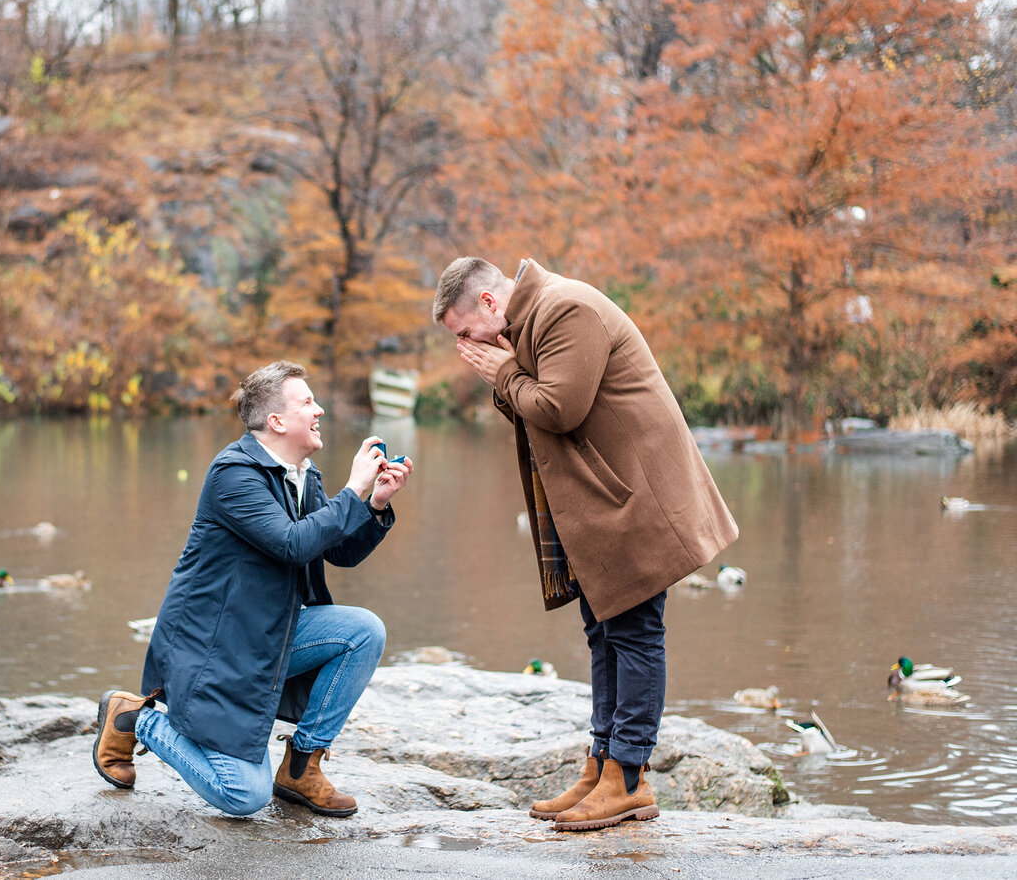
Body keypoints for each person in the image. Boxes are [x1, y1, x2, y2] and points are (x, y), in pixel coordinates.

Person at [433, 257, 738, 832]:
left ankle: (628, 776)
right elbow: (536, 410)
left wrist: (503, 372)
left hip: (637, 499)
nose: (465, 346)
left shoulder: (565, 309)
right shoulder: (532, 321)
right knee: (603, 630)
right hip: (607, 501)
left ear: (491, 305)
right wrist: (507, 373)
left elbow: (557, 408)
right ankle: (602, 765)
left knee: (635, 633)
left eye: (464, 331)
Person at [92, 361, 412, 818]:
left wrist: (375, 502)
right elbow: (292, 544)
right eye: (307, 402)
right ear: (277, 421)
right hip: (217, 649)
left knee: (363, 630)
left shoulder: (303, 473)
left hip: (269, 632)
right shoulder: (234, 475)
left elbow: (336, 551)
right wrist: (353, 489)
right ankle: (136, 719)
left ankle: (301, 767)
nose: (319, 410)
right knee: (243, 796)